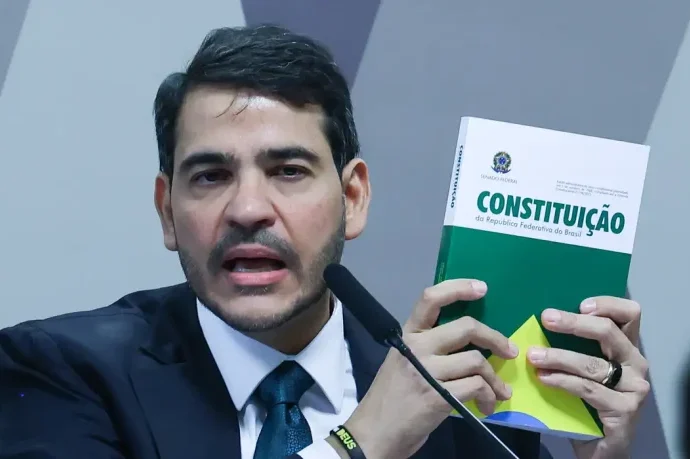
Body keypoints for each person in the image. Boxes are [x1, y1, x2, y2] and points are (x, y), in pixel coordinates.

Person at [0, 25, 650, 459]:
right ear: (167, 212)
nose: (248, 209)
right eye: (211, 175)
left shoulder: (466, 411)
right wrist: (359, 443)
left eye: (288, 171)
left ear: (354, 197)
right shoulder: (59, 372)